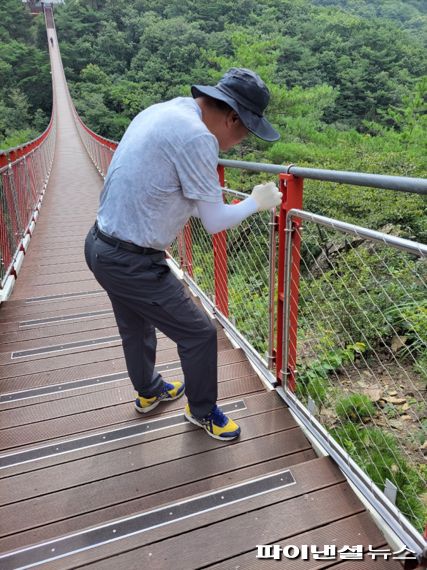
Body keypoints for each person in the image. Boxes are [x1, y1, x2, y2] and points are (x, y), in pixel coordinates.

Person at [84, 67, 282, 442]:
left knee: (135, 324)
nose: (239, 142)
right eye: (245, 132)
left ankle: (149, 390)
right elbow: (215, 222)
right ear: (231, 117)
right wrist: (256, 202)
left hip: (100, 245)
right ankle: (202, 411)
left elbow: (175, 193)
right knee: (200, 335)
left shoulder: (162, 111)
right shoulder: (196, 138)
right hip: (132, 261)